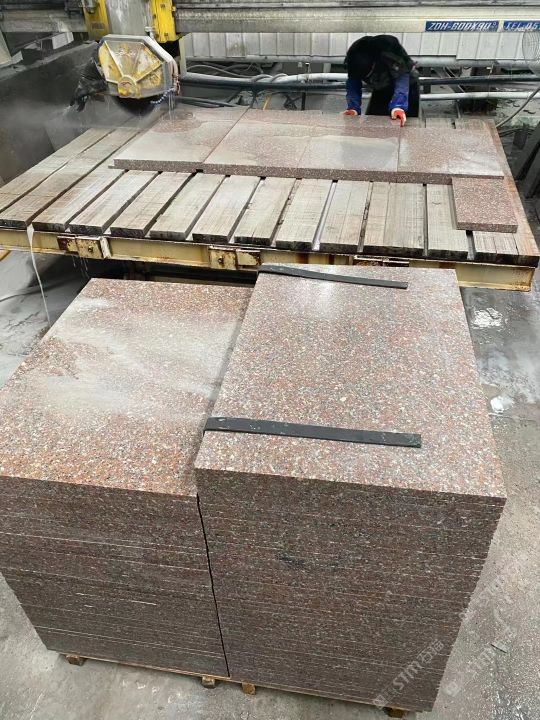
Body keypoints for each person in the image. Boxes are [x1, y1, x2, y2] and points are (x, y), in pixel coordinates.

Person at [343, 35, 419, 125]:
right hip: (380, 88)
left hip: (407, 86)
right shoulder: (353, 58)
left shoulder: (389, 53)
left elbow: (402, 79)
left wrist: (398, 107)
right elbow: (353, 82)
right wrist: (353, 108)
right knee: (372, 125)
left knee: (401, 125)